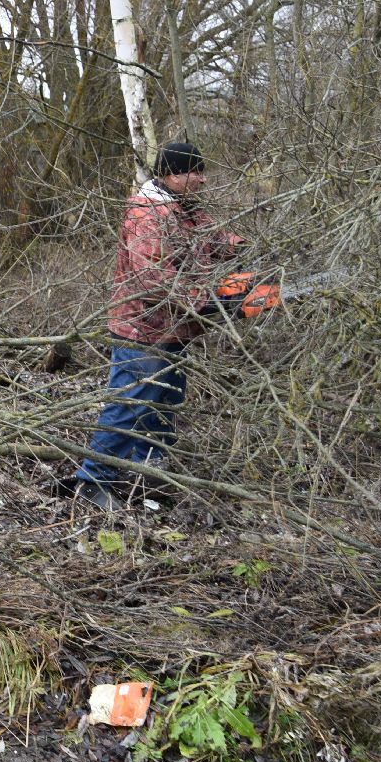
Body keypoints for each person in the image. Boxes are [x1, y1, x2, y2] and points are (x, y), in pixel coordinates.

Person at [73, 142, 248, 511]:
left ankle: (148, 469)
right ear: (171, 174)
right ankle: (93, 481)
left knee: (165, 399)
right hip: (144, 328)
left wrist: (244, 250)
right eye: (194, 172)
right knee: (130, 403)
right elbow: (153, 279)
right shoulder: (148, 214)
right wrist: (210, 302)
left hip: (175, 327)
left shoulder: (185, 208)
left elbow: (212, 239)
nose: (202, 179)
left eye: (202, 171)